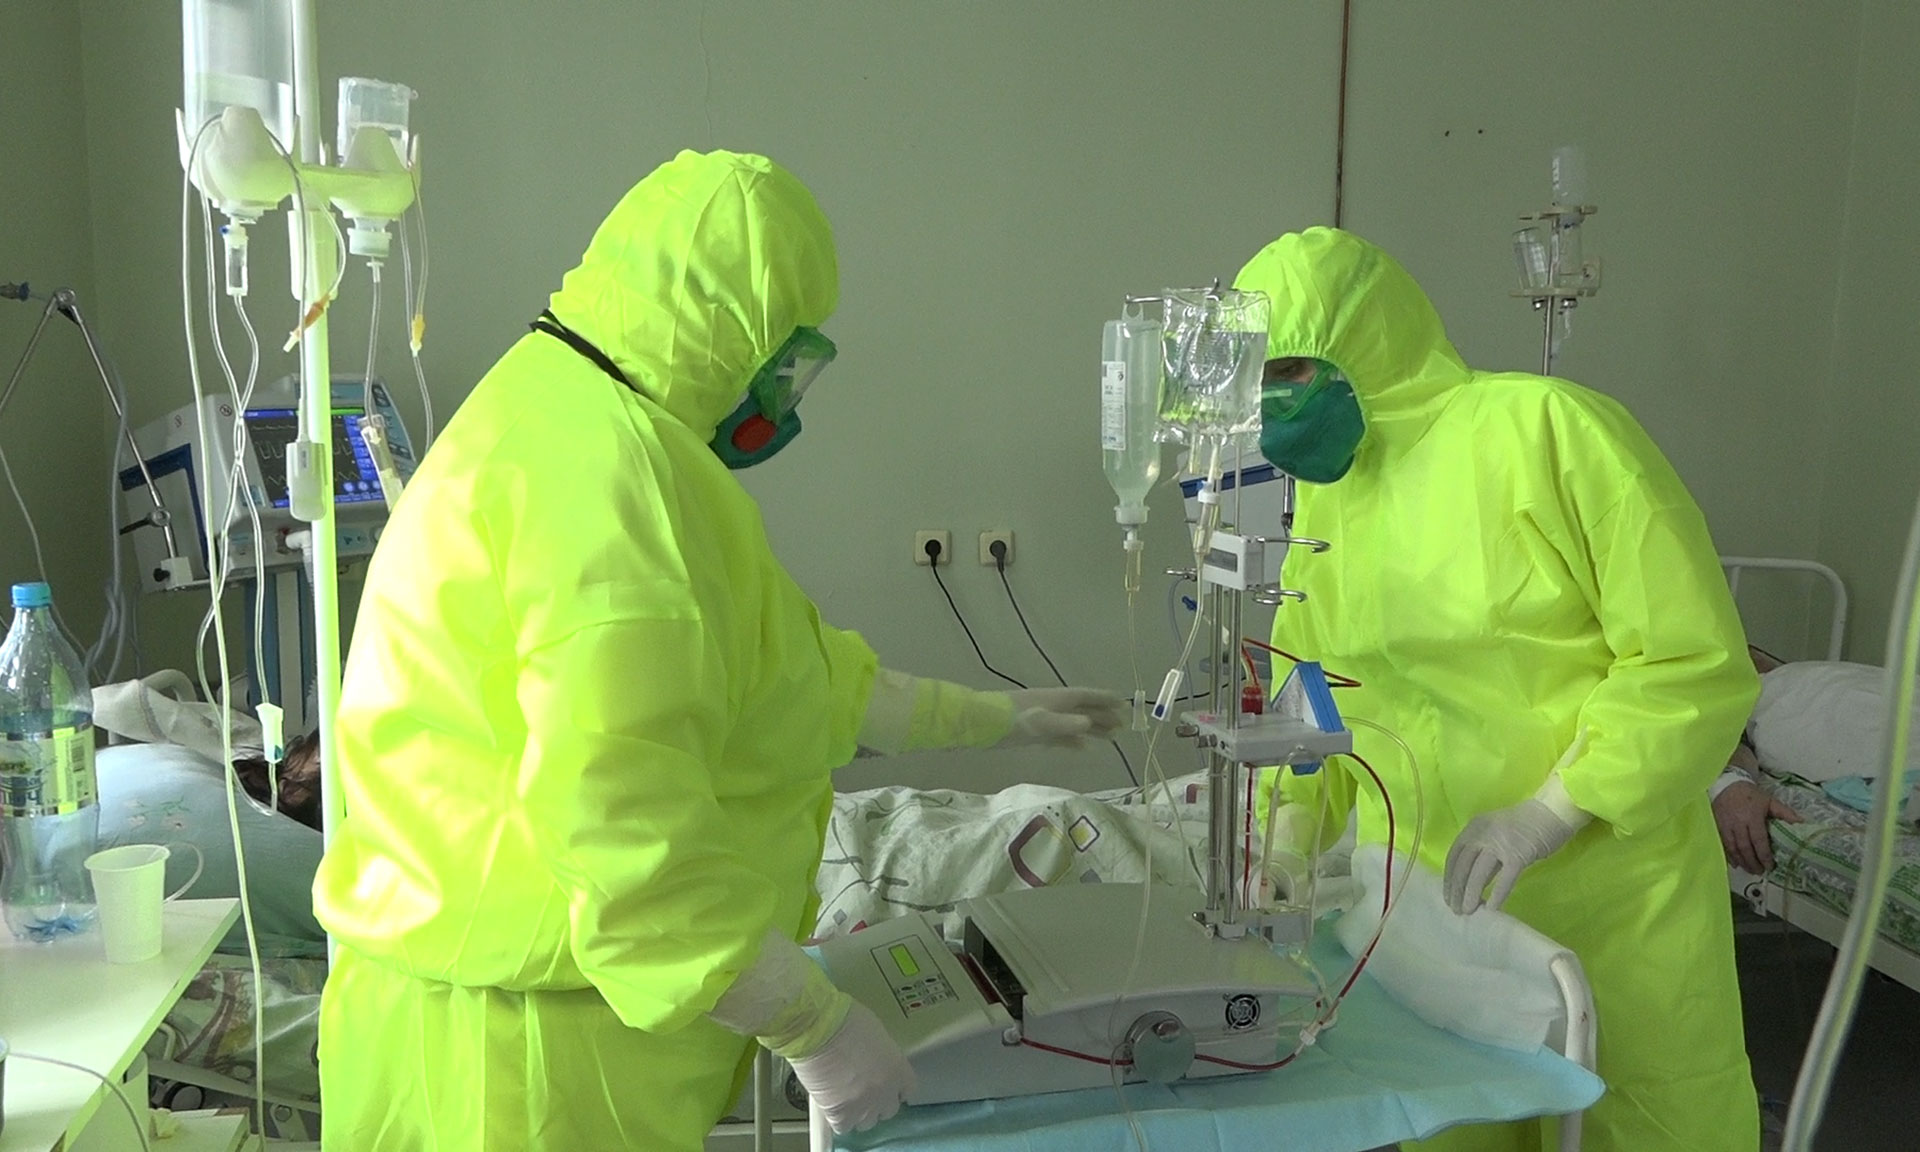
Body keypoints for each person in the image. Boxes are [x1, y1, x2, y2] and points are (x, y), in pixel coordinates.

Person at [311, 150, 1123, 1151]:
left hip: (526, 1027)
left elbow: (786, 675)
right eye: (787, 358)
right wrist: (813, 1027)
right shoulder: (608, 487)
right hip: (518, 1070)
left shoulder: (578, 418)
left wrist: (999, 717)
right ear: (725, 329)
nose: (786, 395)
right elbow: (625, 833)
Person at [1244, 228, 1759, 1151]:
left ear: (1363, 343)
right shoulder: (1332, 498)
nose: (1276, 404)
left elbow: (1690, 658)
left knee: (1637, 1118)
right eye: (1260, 382)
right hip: (1434, 918)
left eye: (1292, 370)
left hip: (1610, 903)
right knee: (1459, 1124)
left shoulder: (1547, 432)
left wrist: (1554, 809)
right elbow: (1307, 685)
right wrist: (1284, 835)